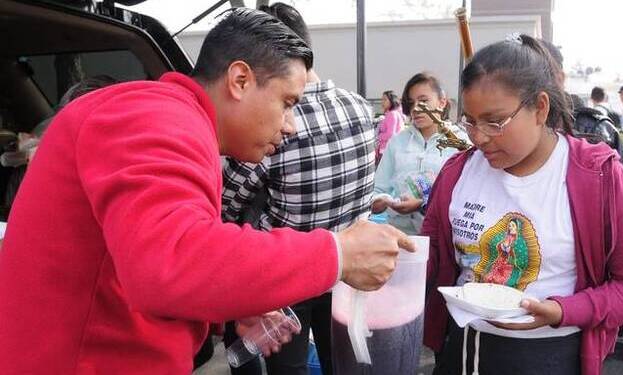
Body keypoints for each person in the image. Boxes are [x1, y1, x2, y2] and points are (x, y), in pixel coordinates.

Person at [0, 9, 413, 374]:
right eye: (287, 103)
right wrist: (336, 253)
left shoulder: (182, 125)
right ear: (239, 79)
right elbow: (170, 262)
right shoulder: (153, 117)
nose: (290, 126)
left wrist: (229, 305)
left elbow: (135, 258)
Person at [422, 34, 623, 375]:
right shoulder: (458, 173)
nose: (479, 137)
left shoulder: (599, 178)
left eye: (495, 121)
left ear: (540, 107)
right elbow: (429, 260)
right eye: (471, 121)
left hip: (551, 354)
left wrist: (565, 309)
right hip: (463, 350)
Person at [221, 3, 375, 375]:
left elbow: (226, 202)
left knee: (288, 370)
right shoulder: (360, 107)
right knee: (344, 361)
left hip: (287, 277)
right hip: (349, 269)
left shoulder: (268, 120)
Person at [371, 72, 459, 235]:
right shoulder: (397, 142)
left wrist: (422, 203)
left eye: (424, 101)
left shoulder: (460, 143)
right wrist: (379, 201)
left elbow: (464, 197)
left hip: (444, 238)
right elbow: (378, 189)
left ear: (442, 102)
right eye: (411, 103)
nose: (416, 109)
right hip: (401, 236)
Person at [376, 90, 404, 164]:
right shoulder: (395, 113)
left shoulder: (392, 114)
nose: (382, 102)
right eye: (382, 99)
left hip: (387, 150)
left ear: (392, 100)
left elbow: (390, 134)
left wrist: (378, 136)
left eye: (385, 99)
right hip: (392, 150)